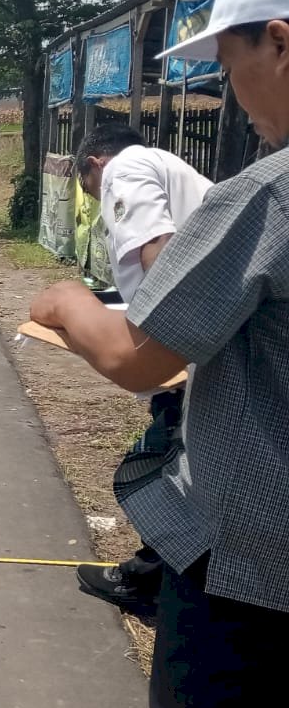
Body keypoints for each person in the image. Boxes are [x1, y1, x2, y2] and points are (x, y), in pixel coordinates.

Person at [28, 0, 289, 708]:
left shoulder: (265, 196)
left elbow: (146, 353)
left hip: (253, 590)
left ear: (278, 41)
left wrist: (62, 303)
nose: (233, 96)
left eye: (229, 68)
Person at [70, 124, 212, 614]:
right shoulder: (175, 172)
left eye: (89, 187)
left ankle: (154, 582)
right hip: (204, 348)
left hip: (187, 355)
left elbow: (163, 262)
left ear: (94, 164)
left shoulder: (124, 169)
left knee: (157, 469)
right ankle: (158, 574)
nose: (96, 198)